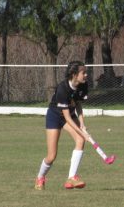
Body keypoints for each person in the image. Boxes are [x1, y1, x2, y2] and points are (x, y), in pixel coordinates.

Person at [34, 61, 90, 190]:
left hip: (69, 115)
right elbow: (67, 118)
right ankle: (40, 177)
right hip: (55, 117)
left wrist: (82, 124)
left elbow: (78, 104)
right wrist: (81, 131)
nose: (86, 75)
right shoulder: (62, 89)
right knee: (51, 156)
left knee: (80, 140)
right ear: (74, 74)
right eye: (84, 73)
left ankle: (71, 178)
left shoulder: (83, 85)